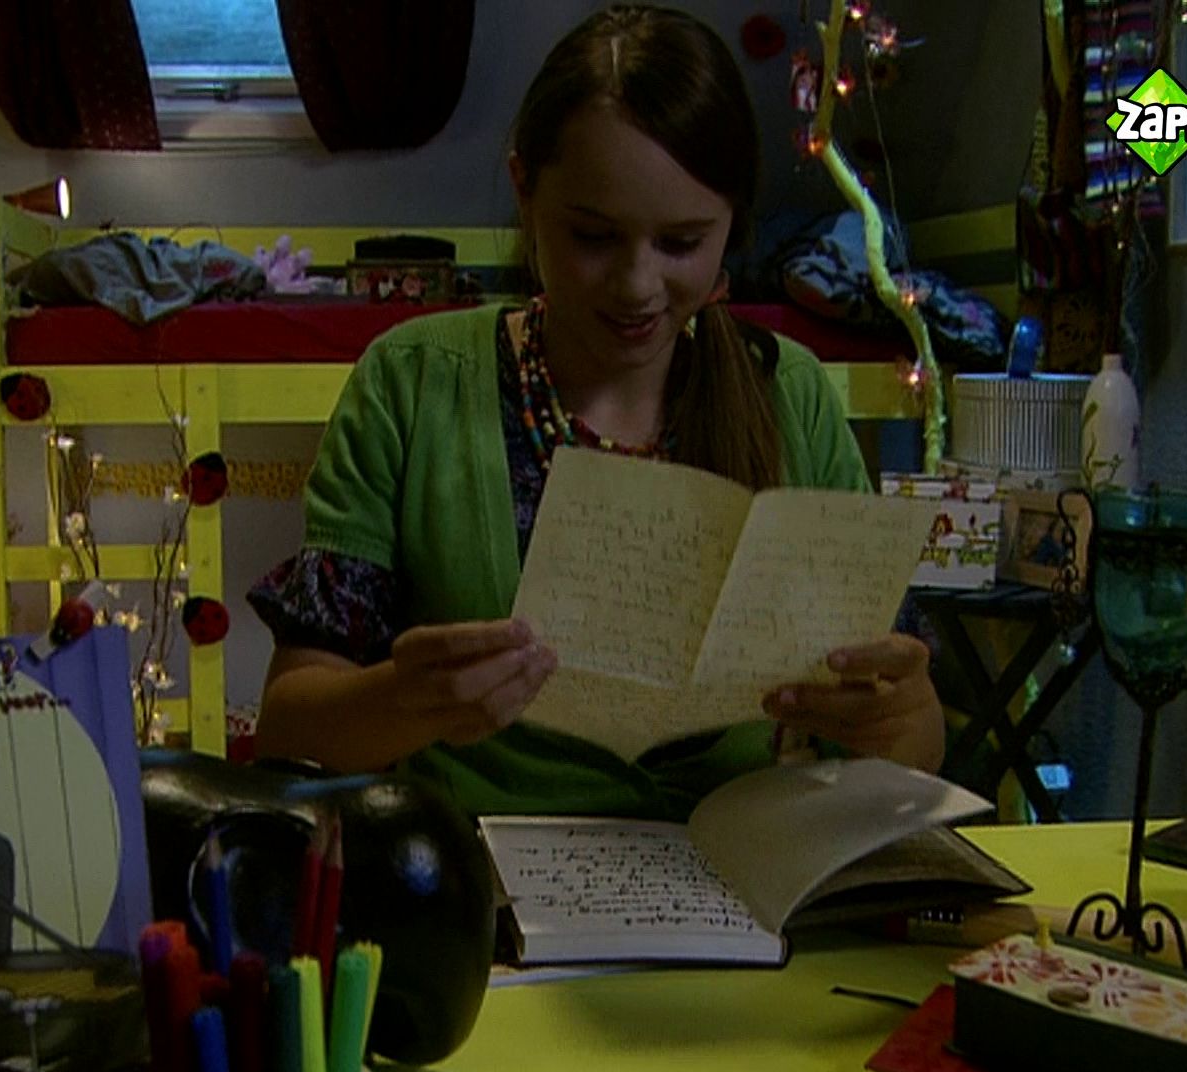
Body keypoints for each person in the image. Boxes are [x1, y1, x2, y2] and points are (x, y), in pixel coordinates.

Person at [248, 4, 943, 819]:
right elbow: (289, 726)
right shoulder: (412, 383)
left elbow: (915, 742)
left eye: (681, 243)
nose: (637, 286)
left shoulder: (789, 392)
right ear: (525, 189)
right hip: (485, 870)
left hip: (744, 869)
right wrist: (405, 699)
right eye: (593, 237)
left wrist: (899, 721)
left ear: (731, 225)